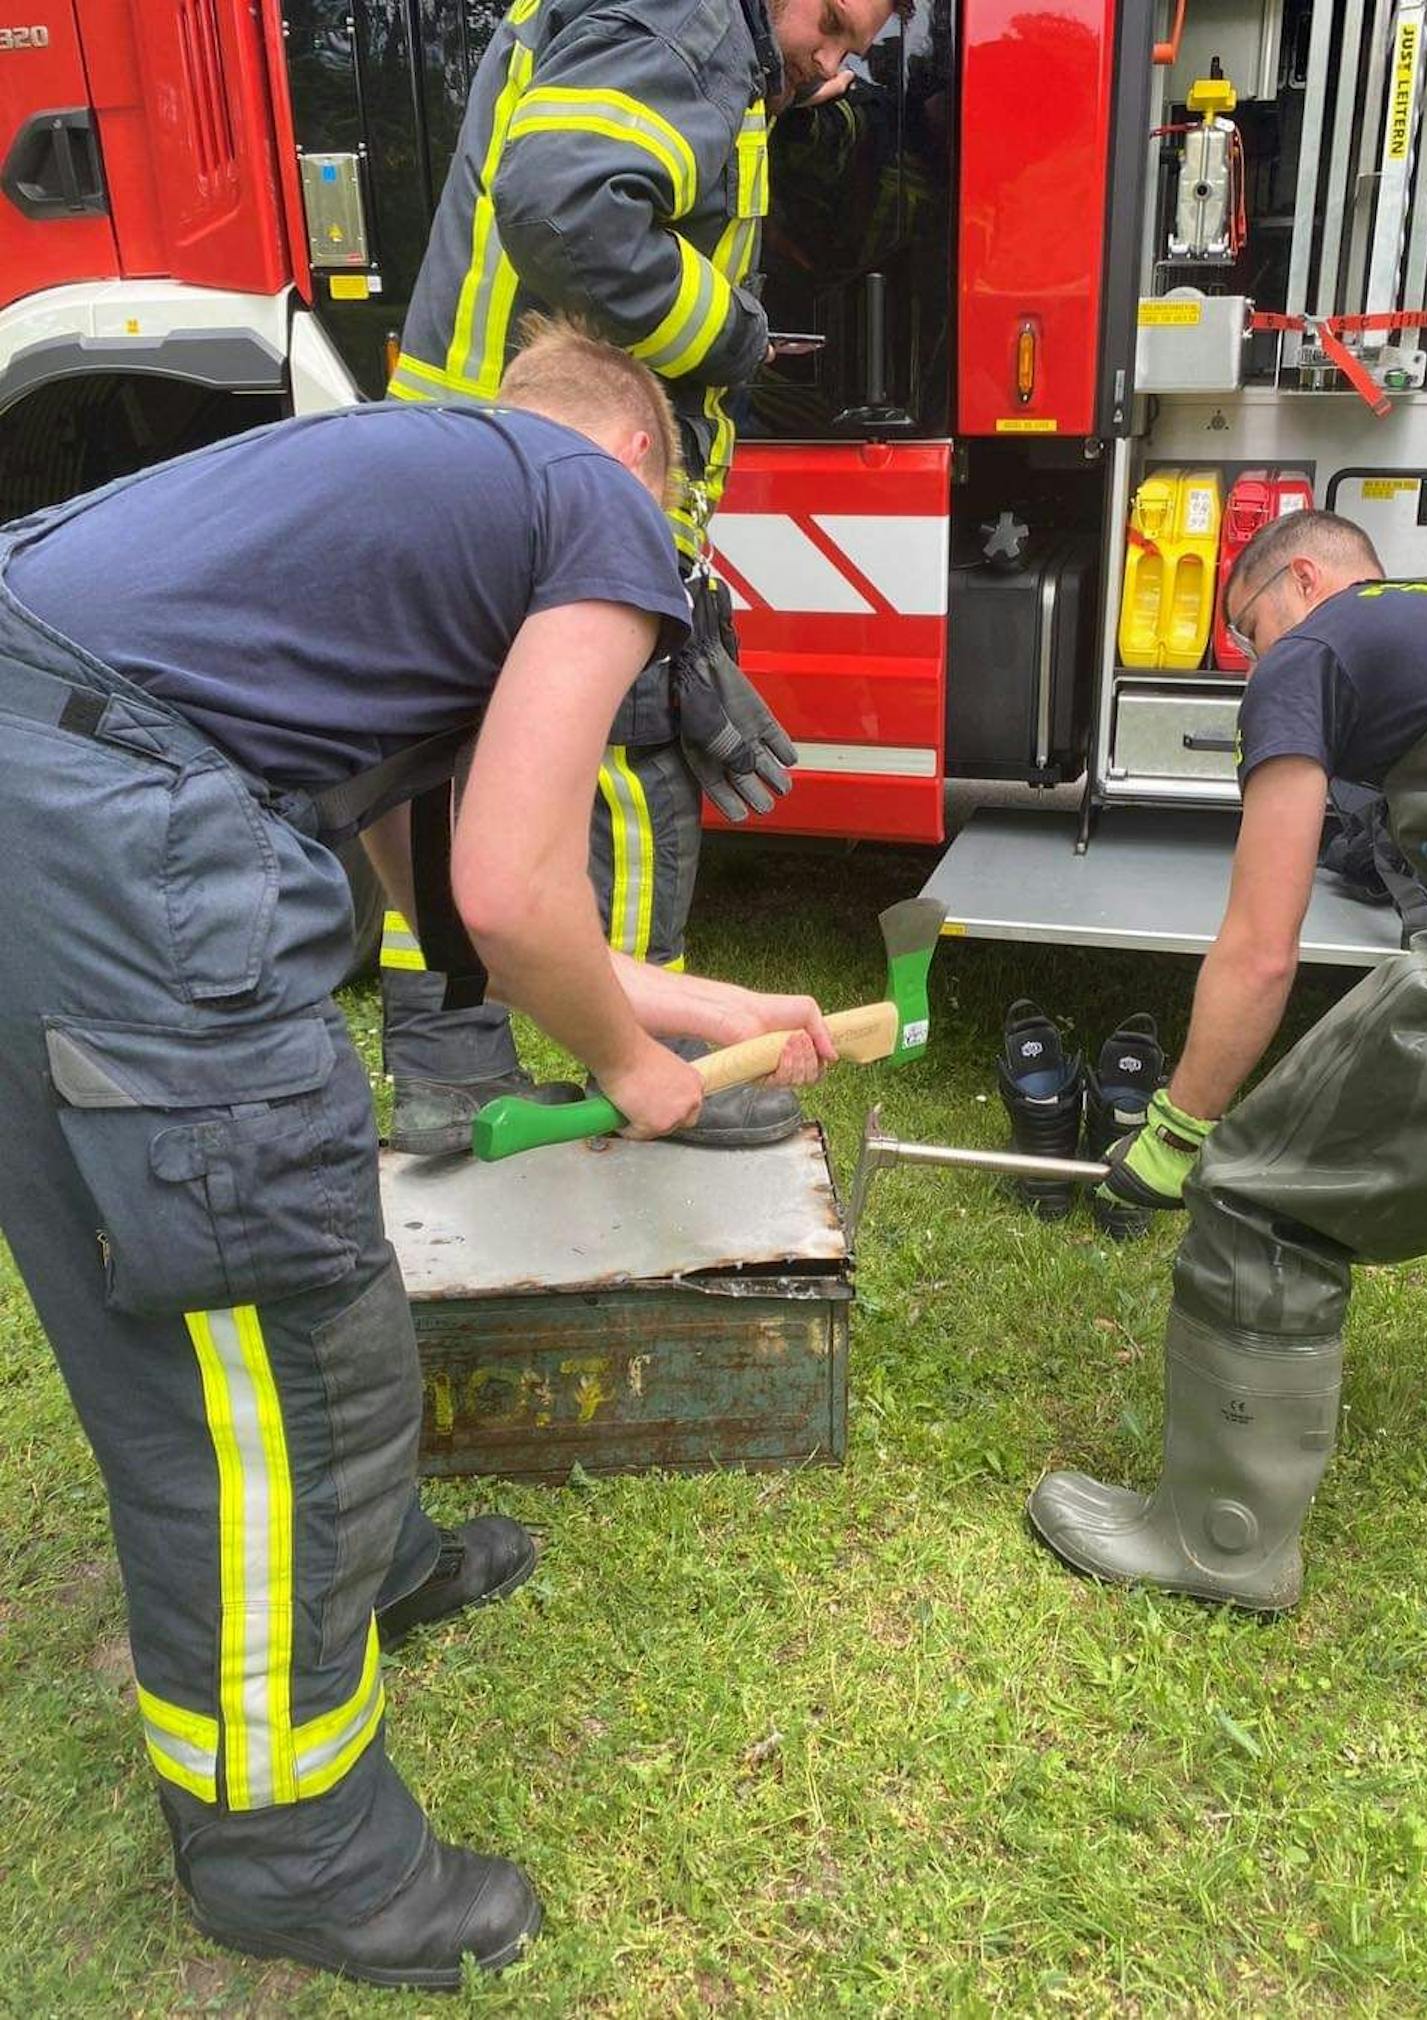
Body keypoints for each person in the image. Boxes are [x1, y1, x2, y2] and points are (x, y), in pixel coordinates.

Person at [0, 316, 832, 1986]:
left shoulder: (420, 507)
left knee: (279, 1256)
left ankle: (373, 1564)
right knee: (253, 1355)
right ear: (641, 467)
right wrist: (627, 1069)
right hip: (105, 830)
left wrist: (687, 1000)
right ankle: (288, 1849)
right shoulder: (597, 508)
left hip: (49, 799)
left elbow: (462, 896)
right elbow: (526, 897)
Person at [1027, 509, 1427, 1611]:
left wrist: (1178, 1131)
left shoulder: (1314, 646)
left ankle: (1219, 1539)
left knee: (1259, 1195)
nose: (1253, 659)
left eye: (1246, 628)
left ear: (1302, 580)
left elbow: (1260, 948)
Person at [381, 0, 902, 1156]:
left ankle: (449, 1066)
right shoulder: (690, 24)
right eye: (831, 22)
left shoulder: (702, 41)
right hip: (547, 474)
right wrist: (739, 336)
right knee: (636, 760)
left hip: (485, 466)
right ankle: (649, 1065)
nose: (838, 59)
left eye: (859, 47)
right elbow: (568, 208)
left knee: (445, 767)